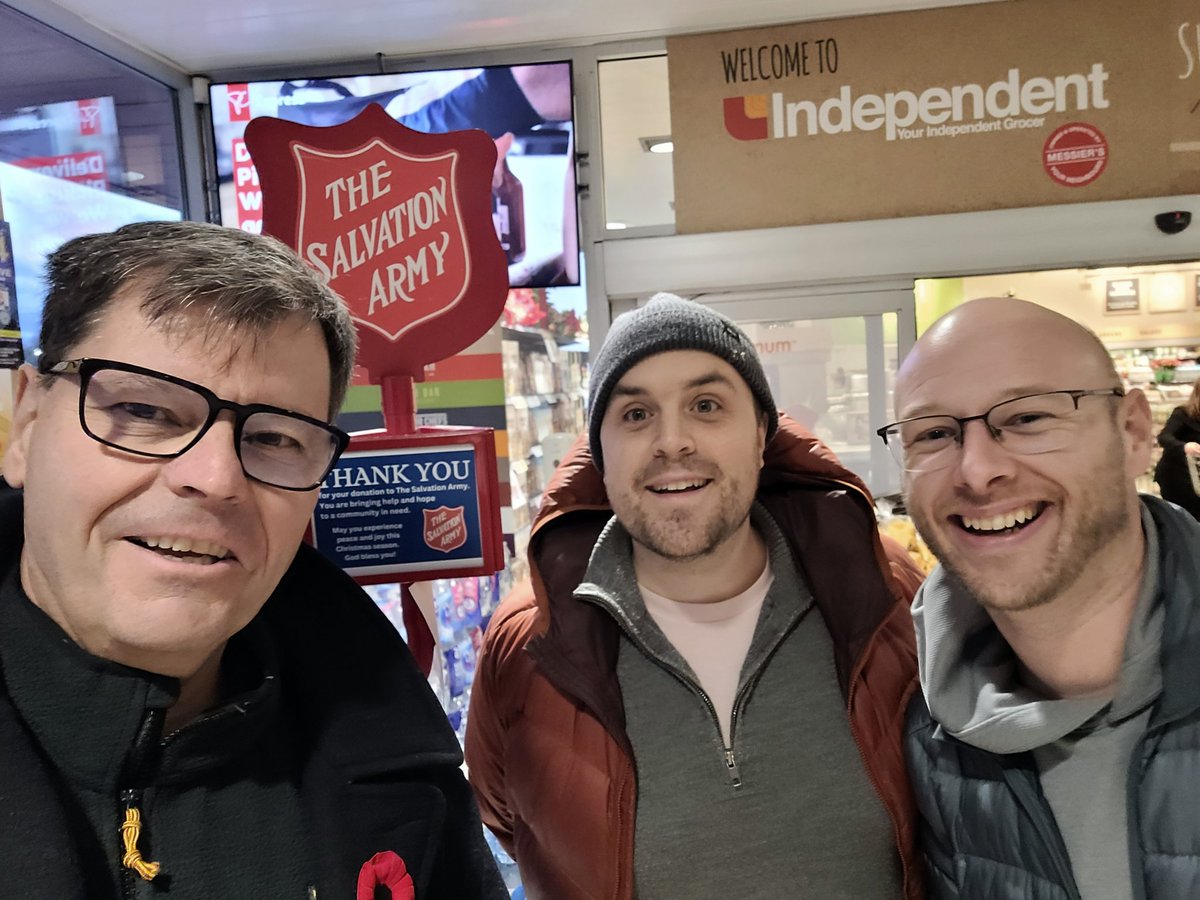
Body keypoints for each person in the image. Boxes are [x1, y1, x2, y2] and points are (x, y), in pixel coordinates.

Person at [0, 221, 506, 900]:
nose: (214, 477)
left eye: (274, 437)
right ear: (25, 426)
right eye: (145, 409)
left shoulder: (405, 770)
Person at [466, 293, 925, 900]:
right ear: (599, 455)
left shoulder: (883, 594)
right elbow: (513, 820)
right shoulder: (528, 643)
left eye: (706, 406)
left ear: (762, 435)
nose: (672, 441)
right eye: (635, 415)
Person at [884, 297, 1200, 899]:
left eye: (1028, 418)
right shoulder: (930, 738)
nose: (976, 471)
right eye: (933, 433)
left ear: (1132, 432)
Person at [1153, 378, 1200, 520]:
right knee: (1184, 520)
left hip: (1196, 478)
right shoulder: (1183, 413)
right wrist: (1185, 447)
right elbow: (1164, 437)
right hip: (1176, 478)